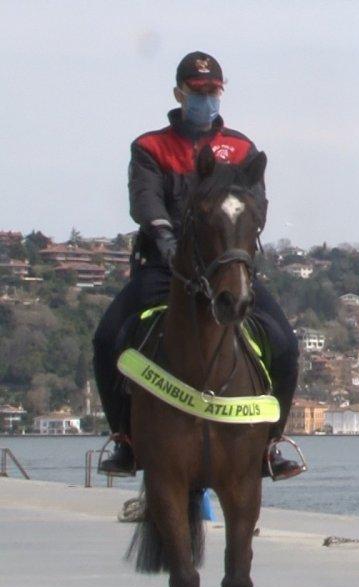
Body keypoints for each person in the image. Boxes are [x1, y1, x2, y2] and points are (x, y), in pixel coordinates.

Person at [94, 51, 302, 480]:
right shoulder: (150, 146)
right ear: (179, 93)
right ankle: (124, 439)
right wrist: (168, 242)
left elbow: (255, 204)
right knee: (107, 337)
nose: (205, 98)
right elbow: (145, 201)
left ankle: (273, 444)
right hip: (165, 267)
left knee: (284, 343)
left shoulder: (242, 149)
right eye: (197, 91)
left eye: (213, 91)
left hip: (226, 267)